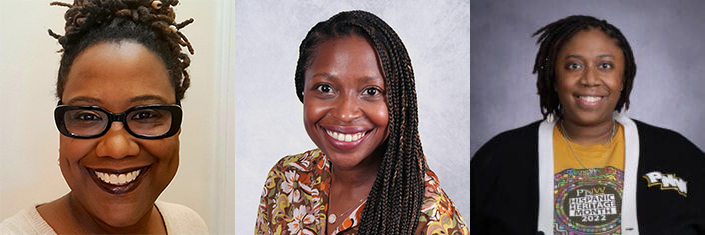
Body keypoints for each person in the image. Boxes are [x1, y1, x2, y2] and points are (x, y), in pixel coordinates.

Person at [471, 15, 705, 234]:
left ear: (623, 79)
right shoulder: (499, 159)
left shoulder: (678, 156)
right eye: (574, 66)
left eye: (605, 66)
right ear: (554, 78)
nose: (590, 80)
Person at [0, 0, 207, 234]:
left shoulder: (190, 226)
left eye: (145, 114)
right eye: (87, 117)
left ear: (177, 123)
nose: (117, 148)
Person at [254, 10, 468, 235]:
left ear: (399, 102)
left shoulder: (433, 220)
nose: (345, 114)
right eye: (325, 88)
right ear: (303, 92)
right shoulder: (286, 179)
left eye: (371, 91)